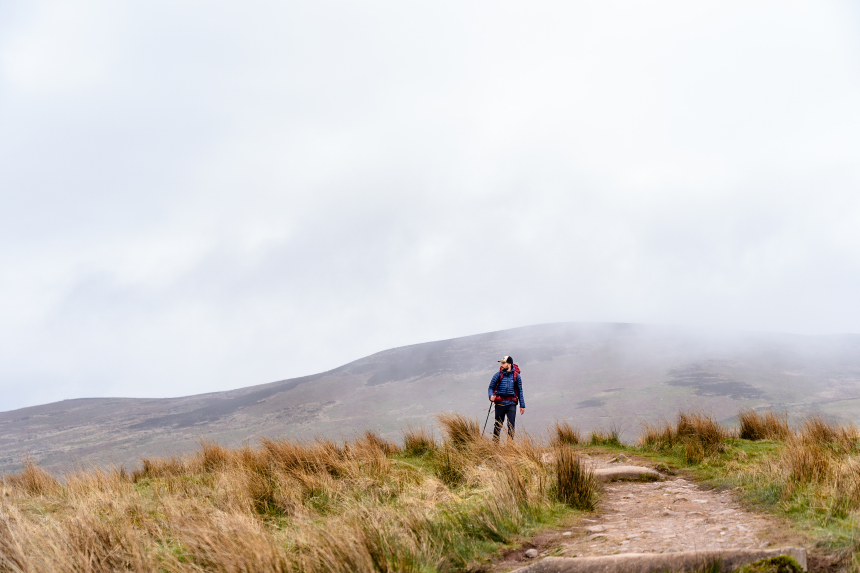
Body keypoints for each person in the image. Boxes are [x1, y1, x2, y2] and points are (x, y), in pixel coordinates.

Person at [488, 356, 525, 442]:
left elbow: (520, 391)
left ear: (509, 364)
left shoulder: (517, 376)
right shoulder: (497, 375)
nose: (501, 365)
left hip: (511, 404)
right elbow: (491, 387)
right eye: (501, 363)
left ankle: (510, 447)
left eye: (503, 363)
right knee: (498, 425)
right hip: (500, 403)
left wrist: (522, 405)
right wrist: (491, 396)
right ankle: (495, 446)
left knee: (511, 426)